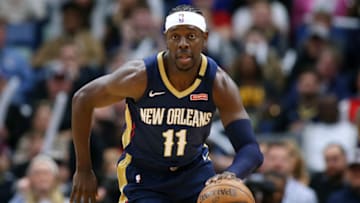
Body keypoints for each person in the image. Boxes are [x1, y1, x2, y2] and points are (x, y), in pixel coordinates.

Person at [70, 4, 264, 203]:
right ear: (165, 39)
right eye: (175, 36)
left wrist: (231, 174)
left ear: (205, 38)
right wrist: (83, 169)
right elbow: (82, 99)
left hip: (194, 173)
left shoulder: (218, 83)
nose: (182, 43)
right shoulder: (140, 76)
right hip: (145, 177)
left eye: (191, 36)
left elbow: (250, 148)